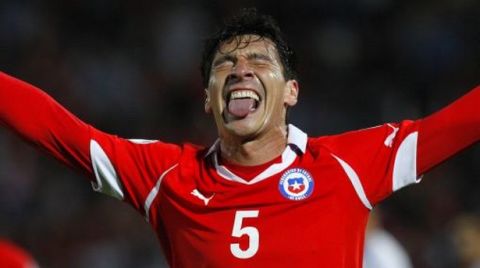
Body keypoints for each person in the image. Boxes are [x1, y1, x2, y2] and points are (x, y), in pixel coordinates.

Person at [0, 8, 479, 267]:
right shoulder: (169, 177)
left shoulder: (345, 166)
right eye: (224, 65)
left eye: (259, 62)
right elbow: (60, 131)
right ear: (208, 99)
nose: (240, 70)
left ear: (291, 92)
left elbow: (457, 123)